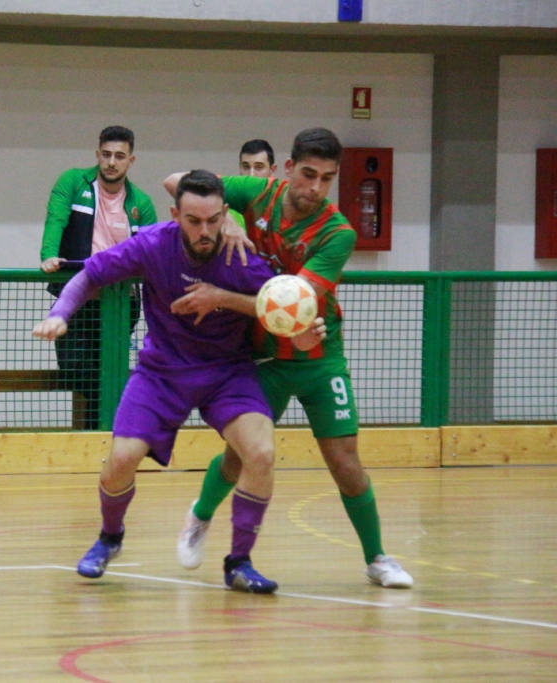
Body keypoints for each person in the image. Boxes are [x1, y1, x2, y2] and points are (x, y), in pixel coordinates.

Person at [33, 170, 317, 593]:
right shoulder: (153, 244)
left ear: (225, 214)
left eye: (214, 220)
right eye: (193, 221)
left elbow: (279, 309)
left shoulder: (243, 257)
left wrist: (302, 333)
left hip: (228, 373)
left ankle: (239, 562)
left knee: (260, 453)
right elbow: (90, 275)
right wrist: (60, 313)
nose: (205, 231)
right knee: (121, 459)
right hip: (162, 371)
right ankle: (110, 537)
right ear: (175, 215)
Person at [165, 128, 414, 589]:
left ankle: (377, 557)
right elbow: (175, 181)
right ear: (288, 169)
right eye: (308, 174)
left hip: (319, 356)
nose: (316, 187)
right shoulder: (258, 192)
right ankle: (199, 517)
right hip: (265, 359)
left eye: (327, 178)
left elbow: (292, 304)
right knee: (241, 457)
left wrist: (221, 297)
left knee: (346, 463)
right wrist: (228, 218)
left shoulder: (338, 234)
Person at [39, 125, 157, 430]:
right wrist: (49, 254)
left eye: (119, 156)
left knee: (108, 371)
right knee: (75, 368)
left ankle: (101, 435)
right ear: (97, 154)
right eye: (106, 154)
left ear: (131, 160)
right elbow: (56, 219)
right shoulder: (73, 182)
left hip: (119, 303)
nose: (111, 162)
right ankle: (111, 425)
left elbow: (150, 251)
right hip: (76, 297)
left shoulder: (141, 203)